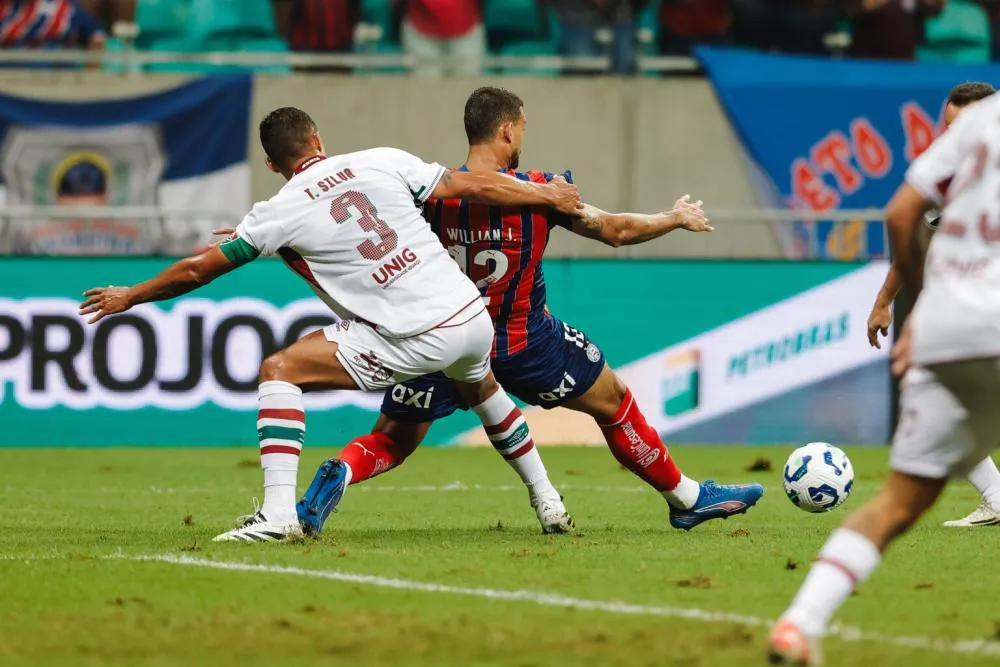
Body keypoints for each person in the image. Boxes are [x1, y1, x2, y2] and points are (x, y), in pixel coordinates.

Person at [78, 106, 583, 543]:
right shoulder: (380, 159)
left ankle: (276, 517)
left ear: (273, 164)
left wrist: (131, 295)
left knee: (279, 369)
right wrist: (547, 197)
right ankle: (548, 499)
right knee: (482, 389)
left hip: (415, 334)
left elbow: (196, 270)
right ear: (318, 139)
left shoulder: (277, 212)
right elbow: (471, 182)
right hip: (472, 317)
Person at [296, 86, 765, 538]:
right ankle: (685, 499)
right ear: (505, 131)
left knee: (393, 439)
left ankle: (342, 469)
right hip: (526, 344)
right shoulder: (544, 191)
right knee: (615, 403)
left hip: (440, 341)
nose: (522, 137)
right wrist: (674, 217)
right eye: (521, 127)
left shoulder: (430, 196)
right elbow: (617, 231)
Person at [769, 89, 1000, 665]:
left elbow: (899, 214)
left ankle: (800, 622)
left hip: (948, 328)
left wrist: (922, 305)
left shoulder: (970, 136)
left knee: (899, 500)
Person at [866, 81, 1000, 528]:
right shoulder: (948, 174)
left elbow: (900, 218)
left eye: (964, 127)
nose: (955, 139)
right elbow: (914, 234)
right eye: (949, 128)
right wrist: (886, 302)